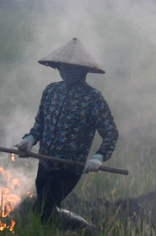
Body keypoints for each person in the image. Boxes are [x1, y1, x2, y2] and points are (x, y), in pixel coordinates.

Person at [17, 38, 119, 226]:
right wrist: (30, 139)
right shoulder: (51, 91)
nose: (66, 70)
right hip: (45, 163)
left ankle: (87, 230)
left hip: (69, 168)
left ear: (82, 70)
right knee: (47, 213)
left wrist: (99, 157)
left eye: (71, 67)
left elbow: (111, 133)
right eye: (63, 66)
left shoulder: (93, 98)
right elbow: (40, 124)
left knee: (42, 210)